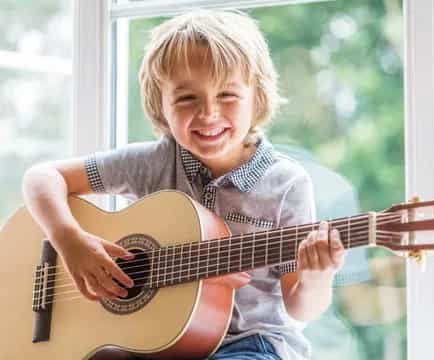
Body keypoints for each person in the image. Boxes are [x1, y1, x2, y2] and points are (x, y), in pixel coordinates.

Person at [22, 9, 345, 360]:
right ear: (160, 106)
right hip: (152, 344)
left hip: (252, 344)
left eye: (227, 95)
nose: (208, 113)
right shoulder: (152, 163)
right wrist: (70, 242)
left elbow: (300, 307)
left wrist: (316, 277)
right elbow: (42, 178)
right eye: (187, 98)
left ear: (258, 97)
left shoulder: (286, 184)